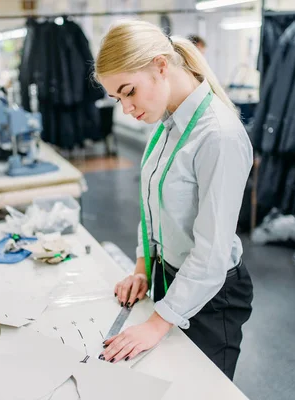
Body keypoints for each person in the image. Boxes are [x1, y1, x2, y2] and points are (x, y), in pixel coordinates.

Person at [95, 20, 254, 381]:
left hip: (213, 299)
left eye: (129, 91)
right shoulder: (169, 124)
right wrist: (142, 268)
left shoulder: (218, 136)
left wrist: (156, 323)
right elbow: (152, 205)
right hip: (166, 278)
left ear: (161, 66)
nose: (126, 108)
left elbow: (212, 254)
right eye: (117, 98)